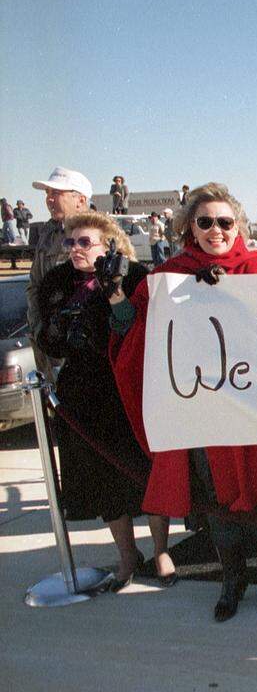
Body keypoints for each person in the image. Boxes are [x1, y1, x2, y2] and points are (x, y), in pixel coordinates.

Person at [108, 182, 257, 622]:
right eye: (205, 222)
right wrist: (117, 295)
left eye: (224, 222)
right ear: (191, 227)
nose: (216, 230)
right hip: (204, 413)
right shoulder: (170, 277)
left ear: (238, 225)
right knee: (217, 505)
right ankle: (232, 579)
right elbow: (137, 333)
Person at [34, 211, 176, 589]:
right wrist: (61, 331)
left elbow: (144, 328)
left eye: (84, 242)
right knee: (103, 479)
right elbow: (45, 336)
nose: (75, 249)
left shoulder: (133, 276)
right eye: (70, 242)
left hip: (129, 384)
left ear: (108, 243)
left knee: (144, 470)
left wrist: (113, 295)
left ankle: (161, 549)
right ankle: (128, 553)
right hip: (83, 391)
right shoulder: (58, 282)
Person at [28, 167, 93, 375]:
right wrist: (39, 329)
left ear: (80, 200)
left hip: (86, 351)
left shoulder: (101, 233)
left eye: (56, 193)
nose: (49, 199)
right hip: (50, 346)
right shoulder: (48, 233)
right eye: (47, 194)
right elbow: (34, 285)